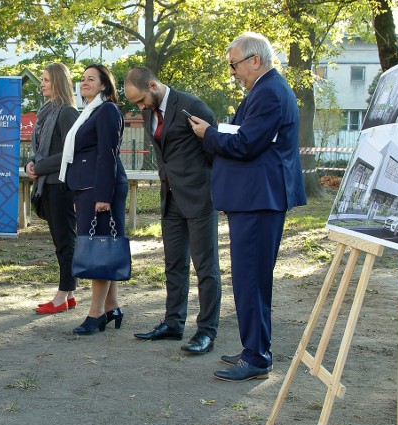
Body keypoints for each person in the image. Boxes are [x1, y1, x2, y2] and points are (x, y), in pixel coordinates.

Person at [189, 32, 306, 381]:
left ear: (255, 60)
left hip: (260, 200)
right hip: (255, 199)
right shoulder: (266, 90)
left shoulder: (270, 92)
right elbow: (247, 136)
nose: (232, 72)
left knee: (251, 280)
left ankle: (257, 357)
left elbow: (245, 144)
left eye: (234, 65)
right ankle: (253, 348)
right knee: (248, 278)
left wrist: (208, 133)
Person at [124, 67, 222, 355]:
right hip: (170, 198)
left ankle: (206, 332)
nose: (140, 107)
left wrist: (200, 183)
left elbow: (214, 150)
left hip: (199, 198)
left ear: (153, 85)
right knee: (174, 265)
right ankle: (173, 323)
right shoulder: (146, 112)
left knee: (206, 269)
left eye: (141, 100)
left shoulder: (192, 106)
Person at [58, 64, 128, 335]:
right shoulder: (88, 111)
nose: (85, 82)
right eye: (82, 79)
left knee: (99, 249)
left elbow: (107, 154)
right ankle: (111, 306)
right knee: (104, 247)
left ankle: (96, 312)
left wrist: (102, 196)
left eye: (91, 79)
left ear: (104, 86)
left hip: (100, 189)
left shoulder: (107, 110)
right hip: (87, 188)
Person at [25, 63, 80, 314]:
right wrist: (32, 163)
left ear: (58, 82)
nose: (42, 84)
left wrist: (40, 166)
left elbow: (71, 153)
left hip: (61, 186)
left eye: (46, 80)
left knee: (65, 241)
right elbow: (40, 150)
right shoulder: (46, 112)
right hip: (47, 184)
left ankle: (62, 294)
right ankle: (67, 295)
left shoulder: (67, 112)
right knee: (61, 240)